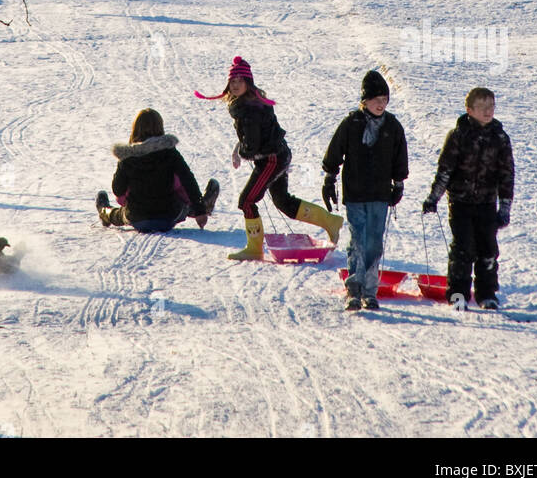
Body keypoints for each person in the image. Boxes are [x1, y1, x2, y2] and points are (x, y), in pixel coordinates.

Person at [196, 57, 342, 261]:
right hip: (279, 155)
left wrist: (243, 152)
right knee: (282, 201)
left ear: (249, 83)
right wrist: (240, 147)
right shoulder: (250, 103)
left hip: (271, 159)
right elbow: (255, 136)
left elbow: (253, 144)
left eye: (240, 80)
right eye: (233, 81)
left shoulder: (249, 109)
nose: (236, 84)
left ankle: (254, 248)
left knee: (247, 201)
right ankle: (330, 221)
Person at [321, 70, 409, 311]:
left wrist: (398, 183)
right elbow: (335, 151)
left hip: (380, 195)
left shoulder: (393, 126)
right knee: (358, 240)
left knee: (374, 242)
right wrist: (330, 177)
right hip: (356, 193)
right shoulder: (352, 123)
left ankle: (370, 291)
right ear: (364, 101)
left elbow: (400, 157)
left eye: (384, 99)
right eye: (375, 99)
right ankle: (354, 289)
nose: (380, 104)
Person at [422, 87, 514, 310]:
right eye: (482, 107)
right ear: (469, 110)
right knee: (463, 249)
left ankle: (487, 294)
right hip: (461, 202)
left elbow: (506, 174)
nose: (488, 111)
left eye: (491, 106)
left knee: (488, 249)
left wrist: (505, 207)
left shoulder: (499, 137)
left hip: (486, 203)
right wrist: (434, 198)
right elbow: (445, 170)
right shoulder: (458, 136)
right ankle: (458, 295)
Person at [96, 108, 219, 233]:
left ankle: (105, 212)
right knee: (184, 206)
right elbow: (188, 180)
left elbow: (118, 189)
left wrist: (123, 165)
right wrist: (200, 211)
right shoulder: (170, 153)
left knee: (120, 215)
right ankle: (202, 206)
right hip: (168, 216)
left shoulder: (128, 157)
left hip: (137, 217)